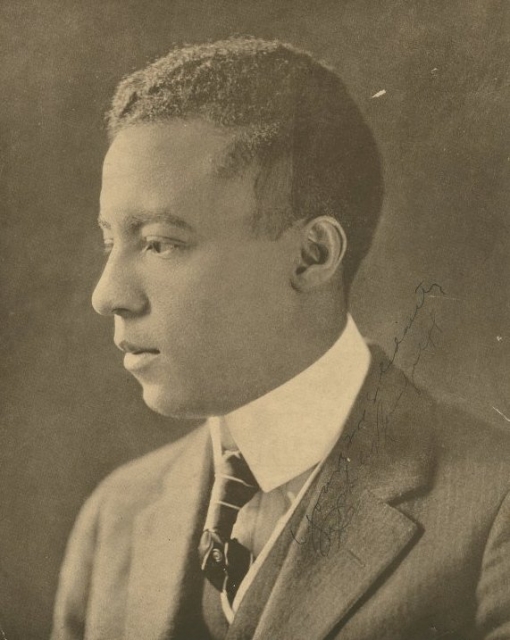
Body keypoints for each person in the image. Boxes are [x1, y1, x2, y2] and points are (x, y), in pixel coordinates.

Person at [51, 38, 510, 640]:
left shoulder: (493, 505)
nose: (108, 294)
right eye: (113, 240)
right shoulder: (116, 515)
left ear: (311, 255)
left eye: (161, 242)